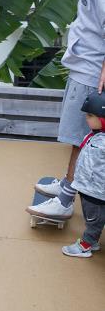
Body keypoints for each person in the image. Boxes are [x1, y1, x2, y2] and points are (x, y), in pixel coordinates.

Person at [28, 0, 105, 221]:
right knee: (78, 138)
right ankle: (67, 185)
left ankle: (65, 200)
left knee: (79, 139)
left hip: (90, 74)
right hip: (83, 69)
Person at [61, 92, 105, 257]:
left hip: (98, 191)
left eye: (90, 115)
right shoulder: (95, 135)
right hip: (86, 187)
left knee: (94, 220)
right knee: (91, 216)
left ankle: (86, 245)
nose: (86, 118)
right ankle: (91, 241)